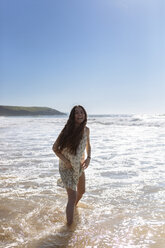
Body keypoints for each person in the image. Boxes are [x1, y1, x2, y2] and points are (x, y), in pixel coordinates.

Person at [52, 105, 91, 226]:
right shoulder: (67, 130)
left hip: (79, 166)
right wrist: (66, 161)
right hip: (66, 167)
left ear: (84, 115)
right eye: (77, 113)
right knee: (72, 196)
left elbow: (88, 145)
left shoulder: (86, 130)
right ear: (73, 116)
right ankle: (68, 228)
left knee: (82, 191)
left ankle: (73, 208)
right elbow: (55, 148)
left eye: (81, 112)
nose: (80, 114)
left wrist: (89, 157)